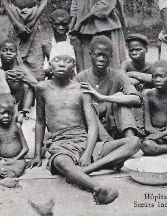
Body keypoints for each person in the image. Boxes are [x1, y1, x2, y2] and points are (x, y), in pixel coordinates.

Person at [27, 48, 140, 205]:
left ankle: (85, 171)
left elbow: (92, 125)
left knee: (134, 142)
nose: (61, 64)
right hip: (61, 144)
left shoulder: (82, 89)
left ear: (73, 66)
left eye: (67, 61)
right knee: (60, 162)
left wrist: (87, 153)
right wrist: (37, 155)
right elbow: (40, 121)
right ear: (50, 64)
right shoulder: (42, 88)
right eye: (57, 60)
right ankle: (98, 188)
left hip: (86, 142)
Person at [74, 36, 142, 139]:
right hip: (89, 129)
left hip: (113, 127)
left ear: (111, 56)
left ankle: (130, 140)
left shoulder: (118, 76)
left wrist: (103, 98)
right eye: (98, 55)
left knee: (122, 102)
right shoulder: (81, 78)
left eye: (105, 56)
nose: (101, 59)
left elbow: (137, 99)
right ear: (90, 54)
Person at [0, 38, 38, 123]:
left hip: (20, 105)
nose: (8, 53)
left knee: (28, 86)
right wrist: (2, 76)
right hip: (3, 106)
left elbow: (38, 86)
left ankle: (24, 112)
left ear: (16, 55)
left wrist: (23, 78)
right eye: (4, 50)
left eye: (11, 51)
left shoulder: (22, 69)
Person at [121, 33, 153, 134]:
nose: (134, 52)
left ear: (146, 49)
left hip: (148, 101)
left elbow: (155, 79)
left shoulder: (151, 66)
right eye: (131, 50)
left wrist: (134, 74)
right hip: (133, 99)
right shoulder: (126, 64)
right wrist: (144, 78)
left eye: (138, 49)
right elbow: (122, 80)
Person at [43, 9, 75, 79]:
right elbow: (40, 69)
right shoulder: (46, 45)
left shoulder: (74, 43)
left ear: (69, 23)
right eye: (57, 24)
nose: (61, 27)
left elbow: (79, 69)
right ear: (51, 24)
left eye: (64, 24)